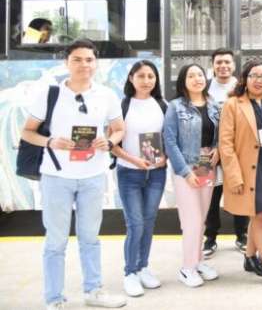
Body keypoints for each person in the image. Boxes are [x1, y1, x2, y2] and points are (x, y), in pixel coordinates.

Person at [20, 38, 127, 309]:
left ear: (96, 63)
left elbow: (119, 128)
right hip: (57, 177)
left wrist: (110, 141)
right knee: (55, 241)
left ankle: (93, 291)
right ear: (66, 63)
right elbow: (27, 131)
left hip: (93, 176)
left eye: (89, 59)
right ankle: (54, 299)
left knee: (90, 238)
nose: (84, 65)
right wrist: (50, 142)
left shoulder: (106, 95)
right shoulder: (50, 93)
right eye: (77, 59)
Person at [218, 61, 262, 291]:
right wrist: (234, 176)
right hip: (247, 171)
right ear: (245, 78)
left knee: (259, 214)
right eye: (254, 75)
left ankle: (249, 257)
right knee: (261, 217)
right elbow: (225, 144)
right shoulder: (232, 104)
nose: (258, 80)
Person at [110, 60, 168, 297]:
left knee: (149, 220)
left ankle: (143, 267)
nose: (146, 81)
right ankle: (130, 272)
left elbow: (168, 138)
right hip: (129, 173)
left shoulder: (162, 105)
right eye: (141, 76)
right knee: (135, 223)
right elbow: (111, 144)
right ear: (131, 78)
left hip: (156, 173)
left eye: (151, 76)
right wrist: (134, 161)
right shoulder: (121, 105)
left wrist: (164, 158)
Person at [163, 64, 220, 288]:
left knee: (202, 218)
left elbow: (217, 136)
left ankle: (198, 261)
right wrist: (185, 172)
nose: (197, 79)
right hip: (185, 166)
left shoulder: (214, 105)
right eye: (191, 75)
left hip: (208, 165)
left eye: (200, 75)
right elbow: (170, 141)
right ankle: (187, 268)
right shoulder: (175, 107)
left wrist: (216, 150)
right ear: (183, 81)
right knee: (192, 220)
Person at [203, 49, 249, 258]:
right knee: (210, 196)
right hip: (208, 151)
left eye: (227, 62)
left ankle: (242, 235)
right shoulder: (204, 88)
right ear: (213, 65)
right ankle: (210, 237)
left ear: (233, 65)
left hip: (236, 150)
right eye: (219, 62)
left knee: (240, 190)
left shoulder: (241, 88)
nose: (223, 66)